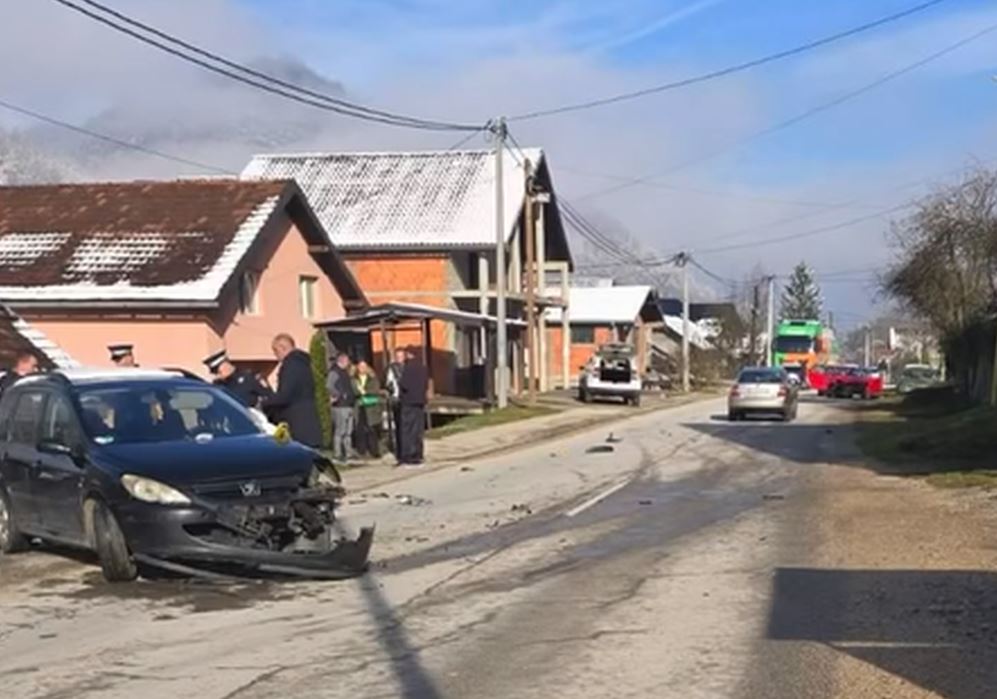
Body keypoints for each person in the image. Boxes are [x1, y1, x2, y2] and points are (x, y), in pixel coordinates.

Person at [260, 334, 323, 448]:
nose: (275, 355)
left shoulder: (291, 365)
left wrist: (265, 402)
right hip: (308, 420)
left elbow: (285, 395)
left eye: (276, 350)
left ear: (283, 347)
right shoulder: (304, 363)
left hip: (297, 423)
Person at [202, 350, 272, 408]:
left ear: (225, 365)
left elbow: (269, 397)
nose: (216, 375)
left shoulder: (248, 377)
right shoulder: (218, 385)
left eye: (216, 371)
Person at [398, 350, 428, 466]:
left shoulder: (408, 368)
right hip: (420, 401)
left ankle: (408, 455)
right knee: (418, 429)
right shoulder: (423, 367)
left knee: (407, 429)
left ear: (409, 355)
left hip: (408, 402)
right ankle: (418, 454)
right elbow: (426, 384)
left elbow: (404, 384)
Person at [326, 352, 357, 463]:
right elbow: (329, 386)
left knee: (348, 431)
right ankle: (337, 454)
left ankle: (348, 453)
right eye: (347, 361)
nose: (349, 363)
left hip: (349, 404)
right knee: (340, 431)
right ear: (342, 360)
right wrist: (339, 395)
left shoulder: (345, 372)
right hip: (340, 405)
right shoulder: (334, 372)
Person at [353, 359, 383, 458]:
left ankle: (374, 450)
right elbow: (352, 390)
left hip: (371, 407)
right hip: (359, 406)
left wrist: (365, 392)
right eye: (360, 367)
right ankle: (362, 451)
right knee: (360, 429)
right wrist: (358, 392)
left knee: (372, 429)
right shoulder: (354, 379)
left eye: (364, 367)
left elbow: (375, 390)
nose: (362, 368)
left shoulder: (373, 379)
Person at [384, 348, 407, 459]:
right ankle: (400, 451)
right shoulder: (392, 368)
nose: (399, 359)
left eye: (401, 356)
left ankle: (407, 449)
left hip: (407, 399)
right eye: (397, 356)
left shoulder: (408, 367)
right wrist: (392, 389)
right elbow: (388, 383)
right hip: (397, 399)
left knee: (406, 426)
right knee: (399, 426)